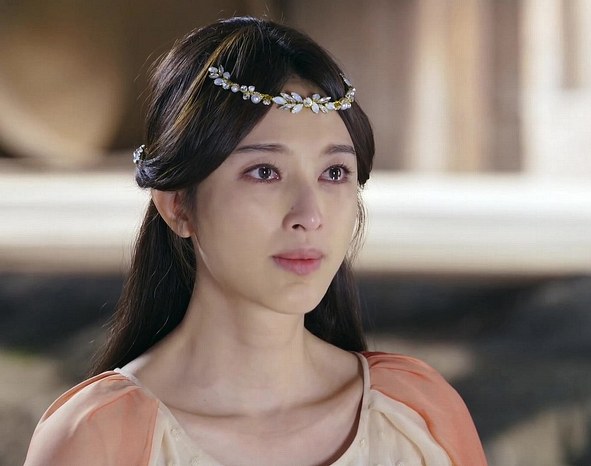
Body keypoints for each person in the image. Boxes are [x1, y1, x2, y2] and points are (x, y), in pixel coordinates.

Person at [24, 16, 486, 466]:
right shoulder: (95, 440)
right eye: (264, 172)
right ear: (177, 205)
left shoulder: (416, 419)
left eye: (334, 172)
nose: (309, 216)